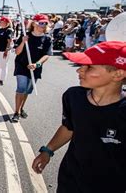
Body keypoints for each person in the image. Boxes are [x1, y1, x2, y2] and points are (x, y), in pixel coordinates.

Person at [32, 41, 126, 192]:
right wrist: (48, 150)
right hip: (70, 178)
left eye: (89, 67)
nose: (79, 71)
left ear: (118, 74)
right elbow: (69, 127)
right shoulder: (74, 96)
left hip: (109, 186)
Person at [11, 14, 52, 122]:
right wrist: (23, 42)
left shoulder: (47, 38)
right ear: (34, 23)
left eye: (45, 23)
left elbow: (47, 55)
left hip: (35, 68)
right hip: (21, 65)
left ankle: (21, 107)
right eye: (41, 23)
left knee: (27, 90)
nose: (43, 25)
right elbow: (17, 52)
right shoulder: (25, 35)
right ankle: (16, 112)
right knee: (21, 88)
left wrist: (37, 64)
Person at [0, 16, 13, 86]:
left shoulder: (9, 30)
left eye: (2, 22)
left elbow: (9, 41)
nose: (1, 23)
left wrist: (6, 51)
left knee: (3, 65)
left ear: (7, 23)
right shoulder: (0, 29)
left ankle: (1, 80)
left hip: (4, 51)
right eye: (0, 22)